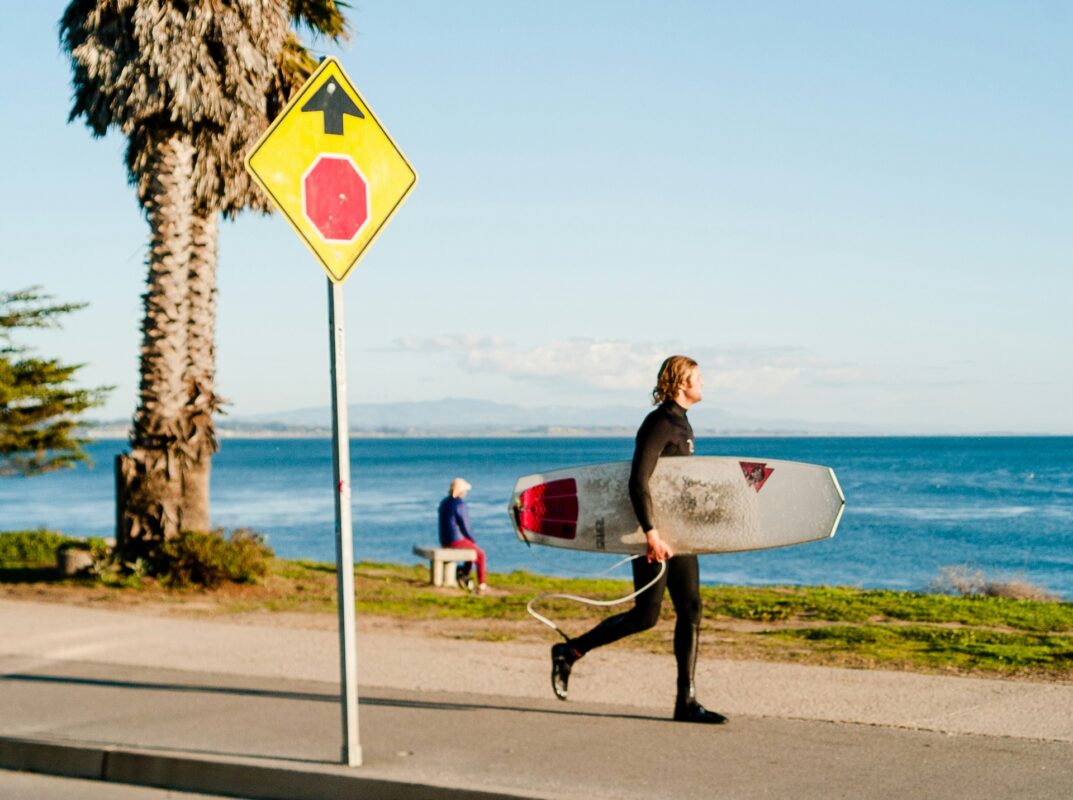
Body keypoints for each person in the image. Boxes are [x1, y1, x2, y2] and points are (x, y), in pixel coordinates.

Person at [549, 356, 727, 724]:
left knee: (691, 610)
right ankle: (570, 651)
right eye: (698, 378)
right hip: (654, 536)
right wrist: (651, 533)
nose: (704, 383)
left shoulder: (682, 421)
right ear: (681, 383)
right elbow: (638, 481)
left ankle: (686, 702)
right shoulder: (660, 423)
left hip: (679, 535)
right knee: (646, 617)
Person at [438, 477, 488, 594]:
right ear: (461, 491)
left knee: (470, 549)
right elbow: (465, 525)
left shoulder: (444, 502)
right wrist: (472, 538)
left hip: (445, 540)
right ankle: (482, 584)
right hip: (455, 540)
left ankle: (464, 575)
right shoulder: (460, 504)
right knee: (480, 555)